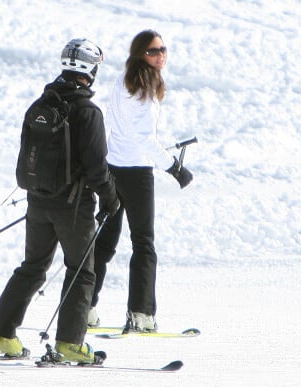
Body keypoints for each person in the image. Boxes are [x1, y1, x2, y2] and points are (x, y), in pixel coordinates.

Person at [0, 38, 120, 363]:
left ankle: (0, 335)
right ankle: (70, 343)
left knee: (33, 267)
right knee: (81, 270)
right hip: (74, 205)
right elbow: (97, 168)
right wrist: (111, 198)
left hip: (38, 202)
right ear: (89, 71)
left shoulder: (41, 104)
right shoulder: (87, 112)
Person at [87, 30, 193, 332]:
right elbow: (145, 140)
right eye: (153, 51)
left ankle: (84, 307)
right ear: (139, 55)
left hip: (113, 169)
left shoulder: (123, 80)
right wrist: (175, 168)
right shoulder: (143, 87)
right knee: (143, 243)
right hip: (136, 174)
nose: (160, 55)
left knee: (104, 241)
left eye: (163, 48)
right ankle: (141, 315)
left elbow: (126, 131)